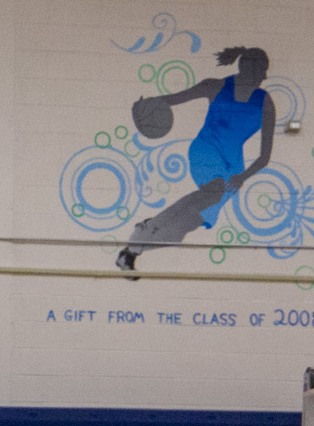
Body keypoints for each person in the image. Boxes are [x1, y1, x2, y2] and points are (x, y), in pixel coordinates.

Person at [116, 46, 276, 273]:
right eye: (261, 70)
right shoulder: (216, 86)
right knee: (214, 189)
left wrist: (242, 176)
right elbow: (171, 100)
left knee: (187, 225)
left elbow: (264, 156)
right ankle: (149, 226)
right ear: (246, 68)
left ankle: (132, 251)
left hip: (234, 165)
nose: (264, 76)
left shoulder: (265, 102)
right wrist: (144, 107)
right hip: (206, 150)